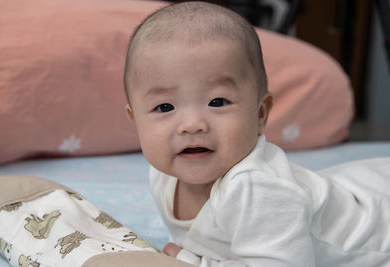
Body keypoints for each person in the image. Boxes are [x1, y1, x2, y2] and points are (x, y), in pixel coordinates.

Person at [124, 1, 390, 266]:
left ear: (260, 113)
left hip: (378, 230)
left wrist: (194, 262)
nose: (192, 125)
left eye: (217, 102)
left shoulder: (259, 189)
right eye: (165, 107)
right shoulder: (163, 172)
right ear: (136, 122)